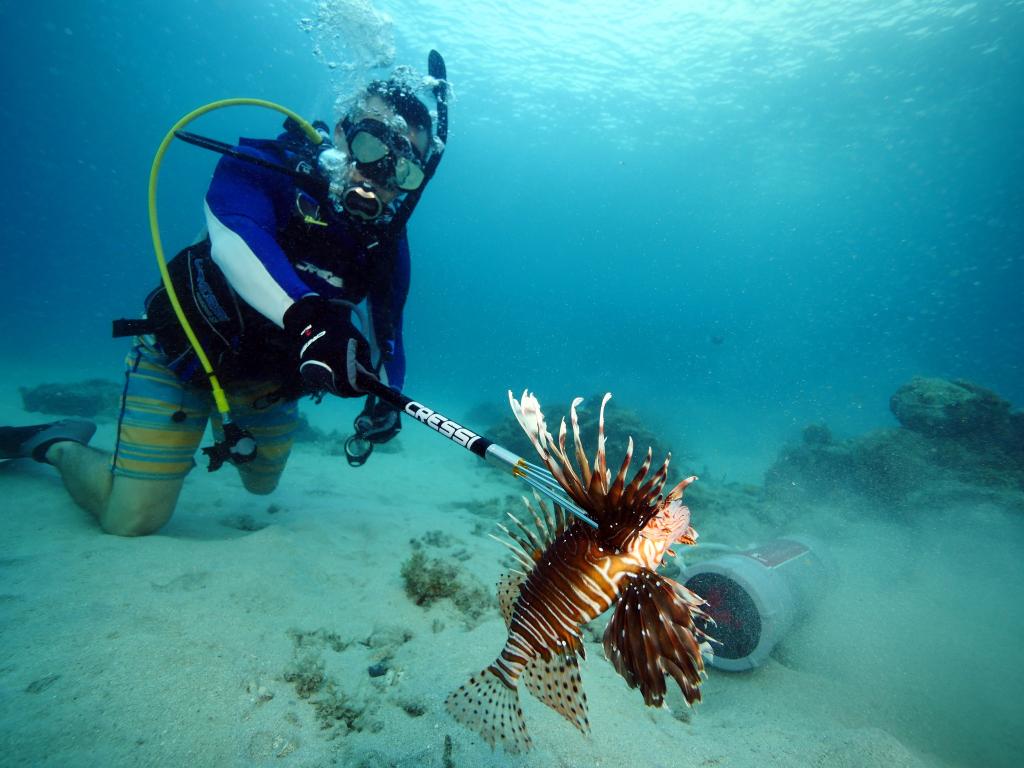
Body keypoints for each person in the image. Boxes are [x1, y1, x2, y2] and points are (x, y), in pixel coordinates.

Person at [0, 73, 447, 536]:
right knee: (131, 519)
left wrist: (386, 397)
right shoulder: (264, 166)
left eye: (402, 170)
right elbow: (235, 237)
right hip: (182, 357)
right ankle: (56, 442)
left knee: (262, 486)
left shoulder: (386, 241)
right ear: (341, 131)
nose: (377, 175)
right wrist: (311, 321)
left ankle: (219, 426)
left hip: (268, 385)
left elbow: (387, 329)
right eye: (372, 145)